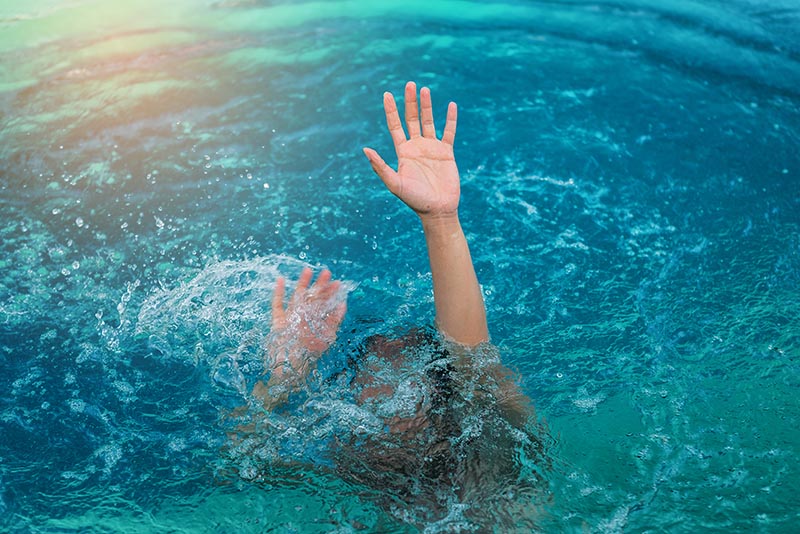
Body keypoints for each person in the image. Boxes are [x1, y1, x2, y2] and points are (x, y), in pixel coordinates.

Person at [242, 82, 546, 528]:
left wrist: (441, 221)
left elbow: (473, 357)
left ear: (443, 405)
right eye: (369, 379)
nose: (377, 396)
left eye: (398, 375)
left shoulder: (490, 465)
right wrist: (284, 378)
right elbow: (239, 464)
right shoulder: (347, 476)